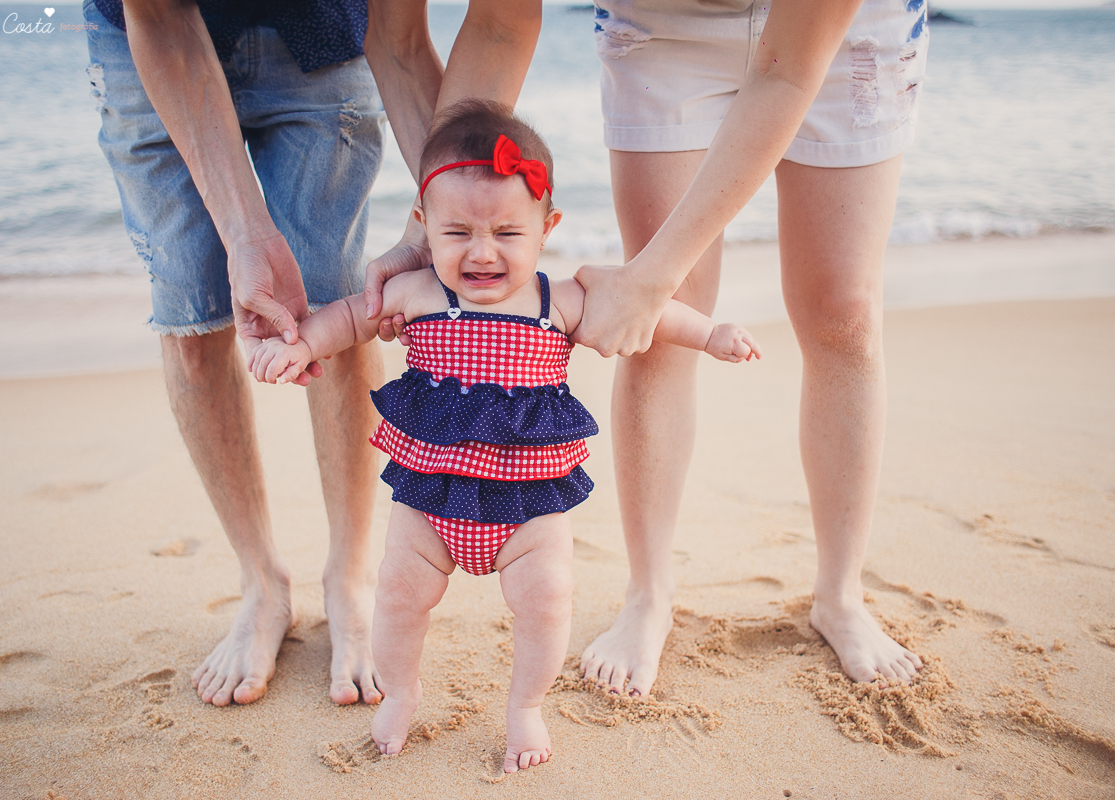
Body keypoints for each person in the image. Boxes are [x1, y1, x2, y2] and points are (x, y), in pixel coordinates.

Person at [248, 101, 760, 771]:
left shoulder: (560, 299)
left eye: (507, 232)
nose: (482, 251)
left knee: (547, 602)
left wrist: (711, 334)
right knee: (398, 598)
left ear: (546, 228)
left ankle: (525, 707)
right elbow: (348, 318)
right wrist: (300, 345)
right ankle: (400, 693)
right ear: (423, 224)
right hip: (430, 499)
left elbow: (653, 311)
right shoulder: (417, 292)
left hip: (529, 507)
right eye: (457, 231)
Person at [571, 0, 931, 692]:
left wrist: (650, 279)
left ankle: (841, 595)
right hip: (664, 26)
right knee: (664, 324)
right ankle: (648, 593)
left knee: (845, 312)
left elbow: (786, 69)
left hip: (847, 33)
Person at [84, 0, 387, 706]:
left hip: (318, 30)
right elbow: (159, 16)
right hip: (144, 41)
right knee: (192, 324)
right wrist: (244, 232)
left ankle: (350, 577)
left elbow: (412, 42)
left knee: (335, 311)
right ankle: (261, 582)